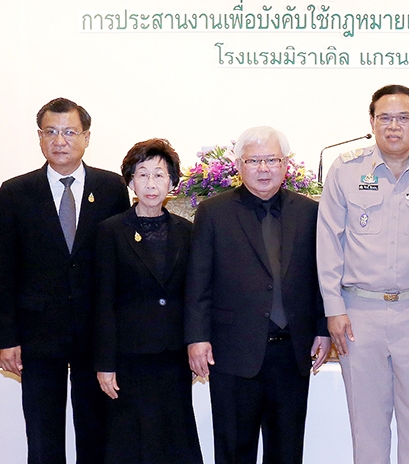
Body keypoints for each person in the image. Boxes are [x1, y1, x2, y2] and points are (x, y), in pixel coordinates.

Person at [316, 84, 409, 464]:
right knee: (366, 427)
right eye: (385, 118)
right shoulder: (345, 171)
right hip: (357, 314)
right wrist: (333, 308)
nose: (393, 126)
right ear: (371, 121)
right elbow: (328, 243)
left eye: (403, 118)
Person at [185, 126, 330, 464]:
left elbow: (321, 276)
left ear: (285, 164)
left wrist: (323, 329)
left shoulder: (309, 212)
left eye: (272, 160)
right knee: (234, 450)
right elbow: (198, 282)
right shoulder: (213, 212)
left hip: (291, 353)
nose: (264, 168)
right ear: (239, 165)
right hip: (233, 352)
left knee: (287, 452)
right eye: (254, 161)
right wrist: (197, 338)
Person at [0, 98, 130, 464]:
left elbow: (122, 264)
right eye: (51, 132)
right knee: (43, 437)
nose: (60, 141)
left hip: (96, 333)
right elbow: (4, 270)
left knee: (97, 433)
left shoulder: (112, 188)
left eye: (70, 132)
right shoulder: (14, 192)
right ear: (40, 137)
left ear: (86, 137)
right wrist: (6, 337)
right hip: (37, 334)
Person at [94, 139, 202, 463]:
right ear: (130, 181)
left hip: (173, 357)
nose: (151, 184)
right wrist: (105, 364)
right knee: (130, 443)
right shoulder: (111, 231)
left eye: (159, 175)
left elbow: (194, 295)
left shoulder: (187, 231)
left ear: (172, 182)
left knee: (174, 442)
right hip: (129, 357)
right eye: (142, 174)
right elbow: (102, 302)